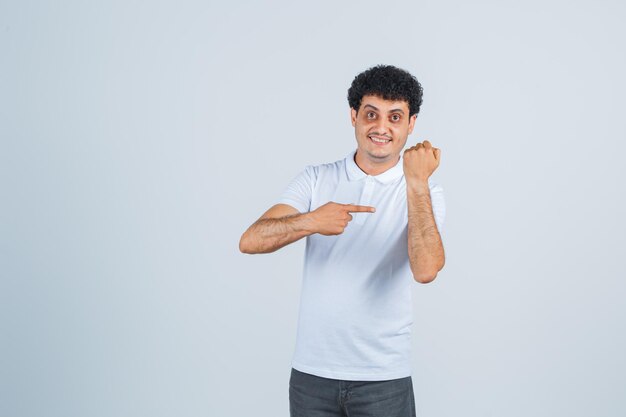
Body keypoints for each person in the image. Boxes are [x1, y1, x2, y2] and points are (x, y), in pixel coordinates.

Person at [239, 64, 446, 417]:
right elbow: (250, 240)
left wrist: (415, 181)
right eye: (371, 114)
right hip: (312, 376)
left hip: (384, 378)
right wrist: (311, 220)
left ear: (411, 124)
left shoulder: (425, 192)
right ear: (353, 116)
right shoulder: (316, 179)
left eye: (395, 117)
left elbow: (426, 270)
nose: (381, 127)